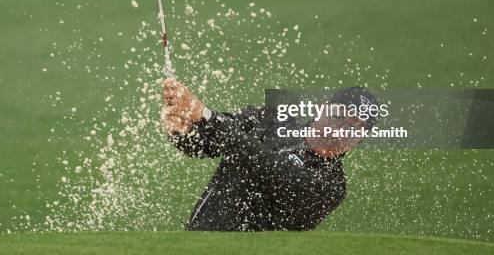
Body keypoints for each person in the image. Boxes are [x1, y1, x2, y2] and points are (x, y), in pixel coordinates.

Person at [161, 78, 378, 231]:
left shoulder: (332, 186)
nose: (342, 130)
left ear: (358, 141)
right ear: (322, 109)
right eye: (339, 117)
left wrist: (206, 116)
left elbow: (269, 168)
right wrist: (184, 131)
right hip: (198, 241)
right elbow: (209, 144)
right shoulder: (272, 120)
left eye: (355, 128)